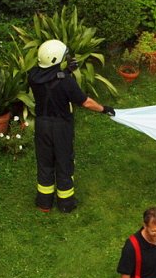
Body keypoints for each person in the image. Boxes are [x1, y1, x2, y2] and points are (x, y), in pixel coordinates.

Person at [28, 39, 115, 212]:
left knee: (45, 162)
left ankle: (44, 203)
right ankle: (66, 203)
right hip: (60, 127)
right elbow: (86, 102)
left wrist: (66, 70)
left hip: (42, 125)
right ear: (56, 60)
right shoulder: (66, 82)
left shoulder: (33, 76)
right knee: (63, 162)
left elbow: (49, 80)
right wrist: (104, 109)